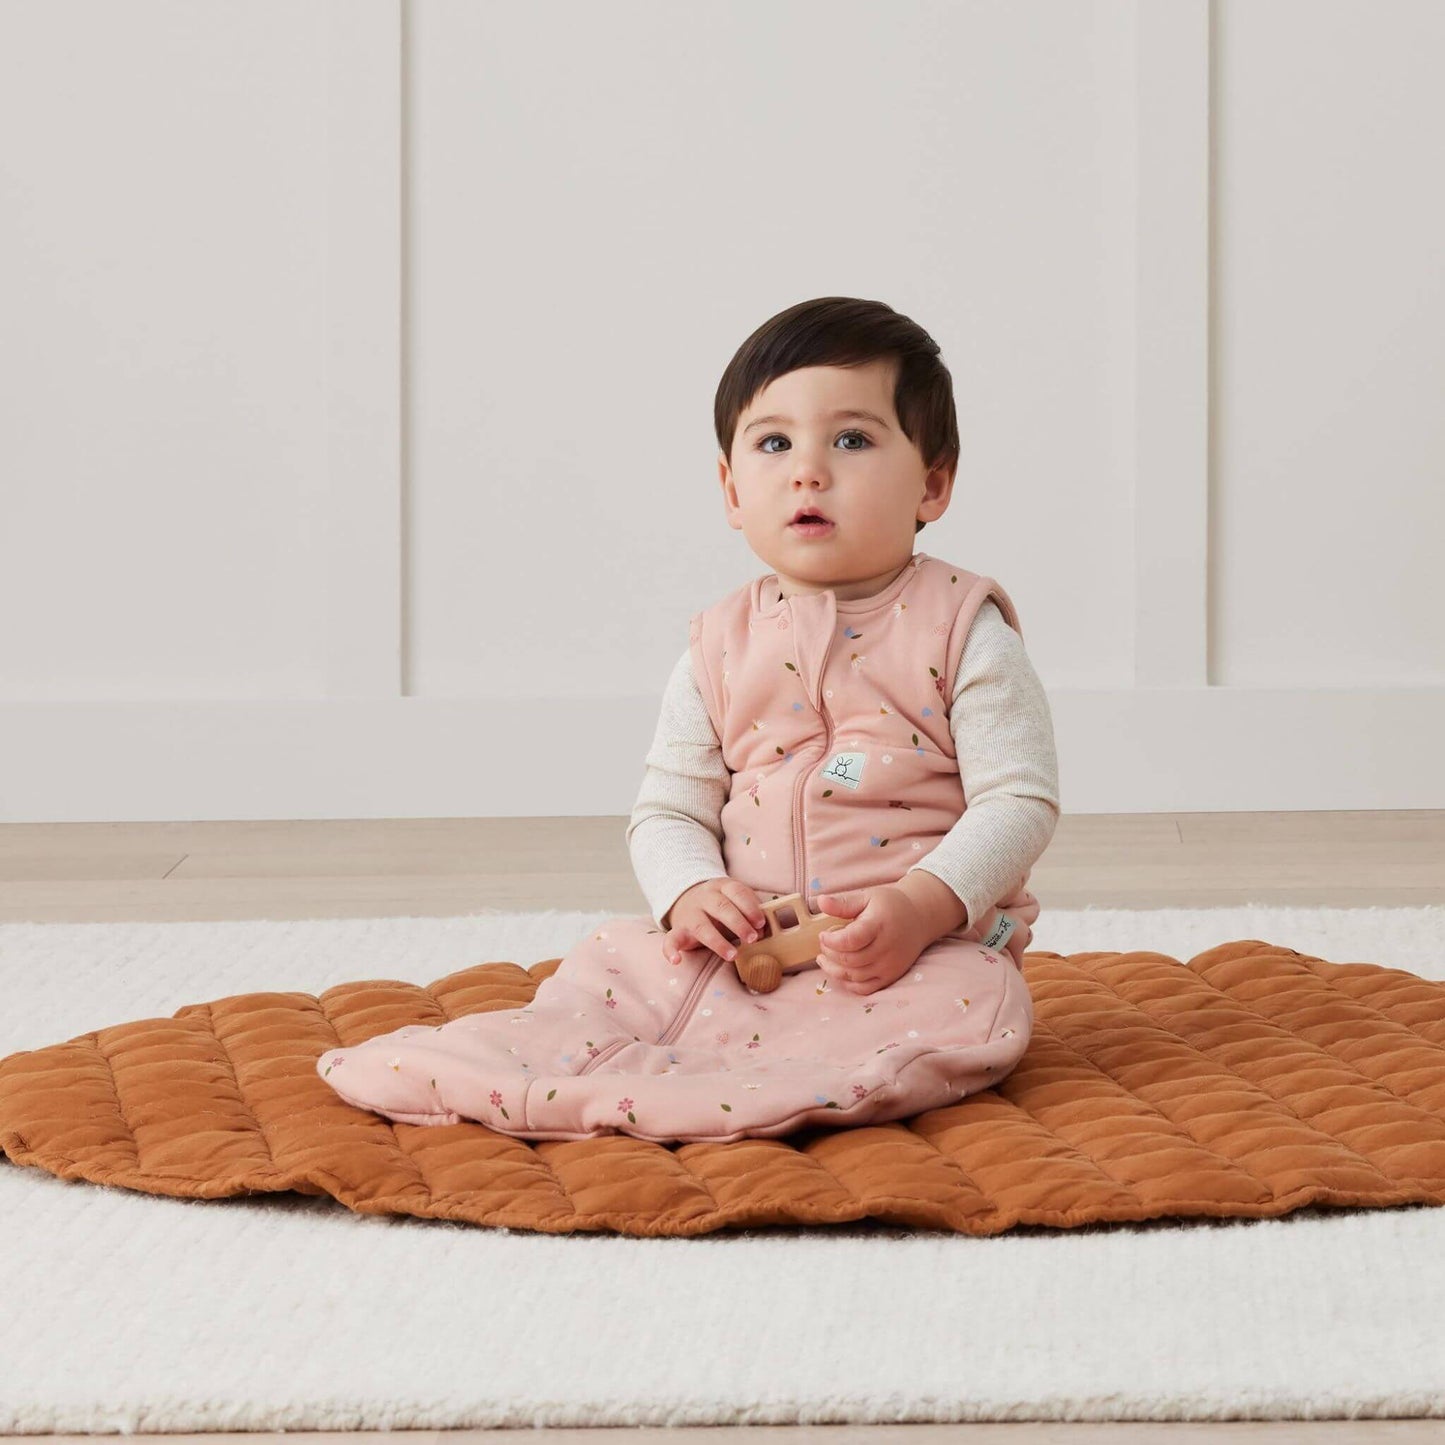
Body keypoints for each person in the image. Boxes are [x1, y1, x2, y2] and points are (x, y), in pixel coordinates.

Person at [316, 296, 1060, 1144]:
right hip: (744, 952)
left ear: (932, 482)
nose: (807, 471)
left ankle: (794, 1079)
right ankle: (571, 1071)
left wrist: (922, 908)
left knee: (970, 1004)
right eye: (773, 443)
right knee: (617, 959)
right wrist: (690, 893)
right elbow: (670, 806)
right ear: (731, 488)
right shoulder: (718, 644)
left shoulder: (964, 629)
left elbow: (1017, 802)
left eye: (851, 440)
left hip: (902, 950)